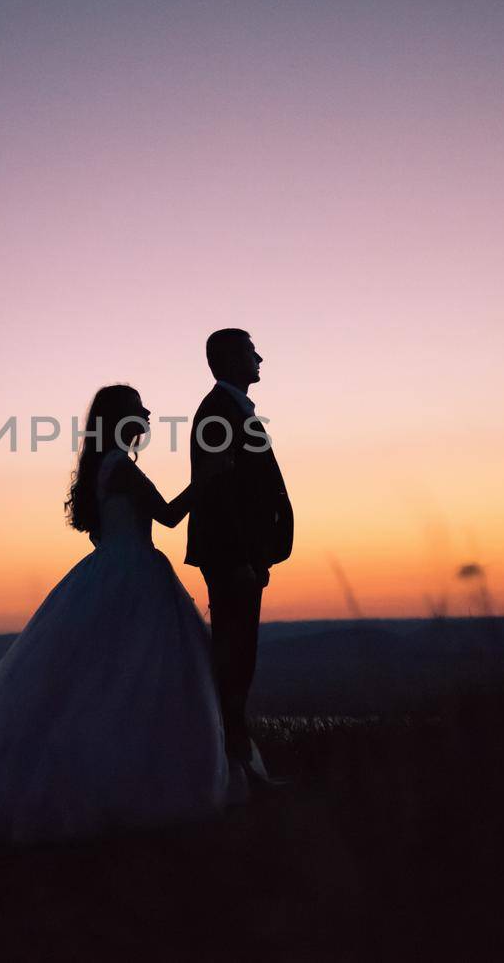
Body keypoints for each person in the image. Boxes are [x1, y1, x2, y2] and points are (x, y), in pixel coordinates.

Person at [0, 384, 240, 854]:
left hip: (113, 570)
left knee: (110, 684)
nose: (148, 413)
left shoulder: (104, 468)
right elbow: (167, 517)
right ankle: (143, 792)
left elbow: (103, 536)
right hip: (136, 574)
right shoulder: (121, 467)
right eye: (139, 407)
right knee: (141, 683)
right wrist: (208, 477)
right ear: (122, 417)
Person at [186, 329, 293, 788]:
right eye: (252, 351)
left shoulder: (229, 410)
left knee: (239, 657)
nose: (260, 358)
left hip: (243, 556)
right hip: (232, 557)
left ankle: (236, 767)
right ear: (230, 360)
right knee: (234, 658)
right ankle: (232, 769)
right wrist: (243, 558)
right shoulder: (217, 413)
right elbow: (220, 494)